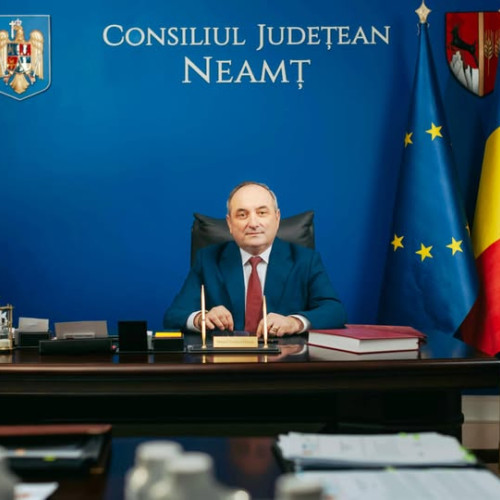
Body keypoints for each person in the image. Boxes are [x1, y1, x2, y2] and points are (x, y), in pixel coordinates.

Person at [163, 181, 346, 337]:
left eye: (262, 213)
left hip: (285, 360)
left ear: (277, 218)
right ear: (229, 223)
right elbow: (174, 315)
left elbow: (335, 311)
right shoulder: (209, 259)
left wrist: (294, 322)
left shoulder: (305, 260)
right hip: (225, 361)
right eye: (242, 215)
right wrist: (201, 318)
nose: (253, 223)